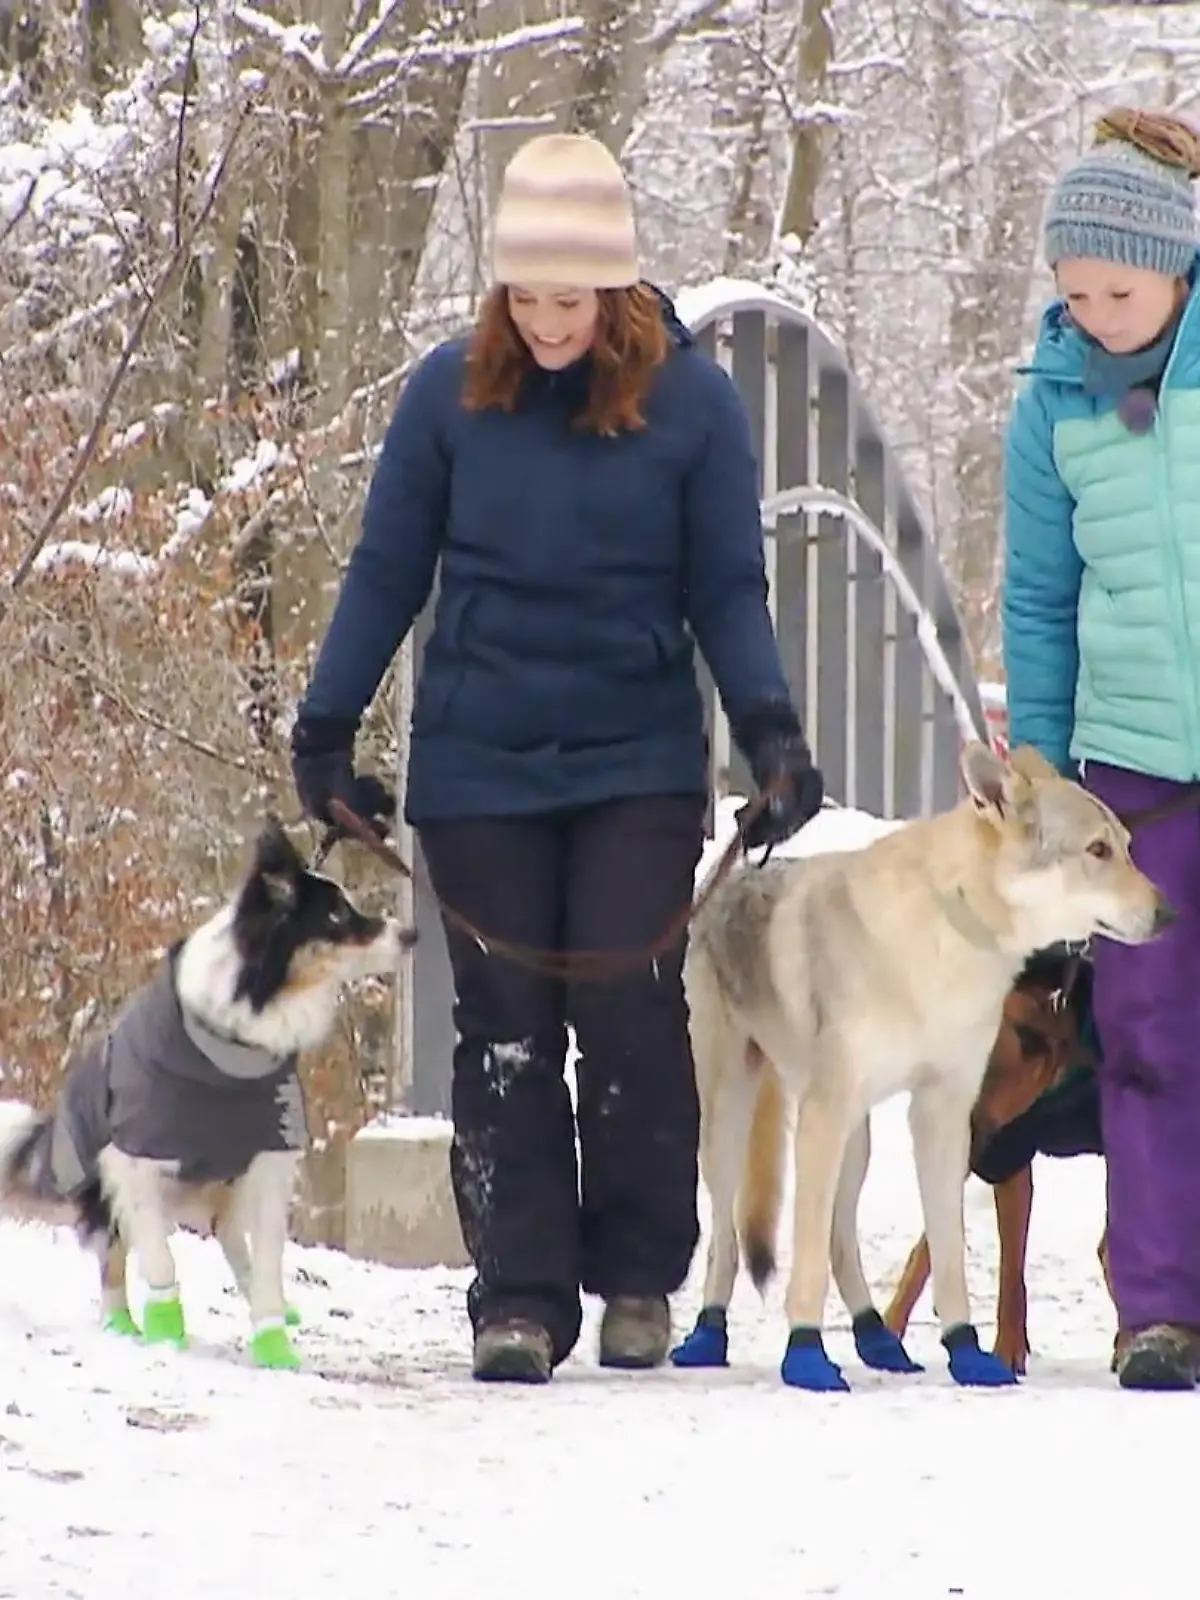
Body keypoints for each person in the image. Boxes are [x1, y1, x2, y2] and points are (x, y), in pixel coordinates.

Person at [288, 133, 823, 1383]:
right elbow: (385, 571)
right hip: (479, 764)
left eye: (567, 300)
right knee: (506, 1030)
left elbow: (729, 588)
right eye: (522, 297)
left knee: (630, 1014)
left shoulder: (695, 405)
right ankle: (518, 1294)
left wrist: (772, 734)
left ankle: (638, 1272)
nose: (542, 322)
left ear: (620, 290)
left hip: (635, 758)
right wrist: (326, 729)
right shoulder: (447, 397)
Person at [1002, 106, 1200, 1390]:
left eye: (1117, 293)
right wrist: (1040, 768)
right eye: (1072, 295)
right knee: (1146, 1031)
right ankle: (1161, 1308)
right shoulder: (1056, 404)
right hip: (1132, 768)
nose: (1092, 316)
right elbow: (1037, 593)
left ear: (1180, 268)